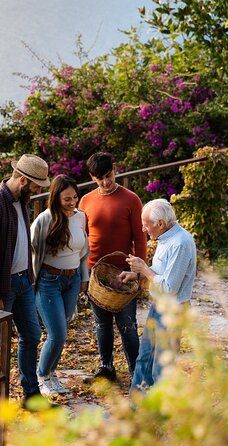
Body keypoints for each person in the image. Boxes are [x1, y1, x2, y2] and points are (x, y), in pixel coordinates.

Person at [0, 153, 50, 411]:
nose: (38, 190)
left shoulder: (22, 199)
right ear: (22, 180)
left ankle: (30, 393)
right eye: (36, 185)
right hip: (2, 286)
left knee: (31, 334)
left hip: (22, 281)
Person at [79, 152, 147, 381]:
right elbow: (82, 237)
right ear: (92, 177)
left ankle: (137, 373)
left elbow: (140, 238)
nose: (106, 182)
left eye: (109, 176)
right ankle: (106, 367)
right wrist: (82, 274)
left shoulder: (131, 199)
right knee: (101, 324)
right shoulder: (86, 200)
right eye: (100, 179)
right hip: (96, 273)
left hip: (123, 273)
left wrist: (138, 272)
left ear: (114, 169)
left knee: (127, 324)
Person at [121, 198, 197, 392]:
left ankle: (161, 413)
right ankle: (136, 404)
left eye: (146, 225)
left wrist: (145, 270)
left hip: (172, 310)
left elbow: (170, 288)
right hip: (158, 306)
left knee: (162, 367)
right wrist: (136, 273)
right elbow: (161, 271)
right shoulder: (165, 238)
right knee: (144, 357)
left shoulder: (180, 243)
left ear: (160, 224)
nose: (144, 230)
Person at [30, 174, 89, 396]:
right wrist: (31, 285)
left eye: (75, 197)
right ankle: (42, 374)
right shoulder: (44, 220)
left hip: (72, 280)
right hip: (49, 281)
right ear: (55, 198)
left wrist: (83, 278)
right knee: (58, 334)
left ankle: (52, 373)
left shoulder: (81, 217)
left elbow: (83, 252)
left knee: (61, 329)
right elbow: (32, 255)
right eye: (67, 199)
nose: (72, 202)